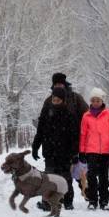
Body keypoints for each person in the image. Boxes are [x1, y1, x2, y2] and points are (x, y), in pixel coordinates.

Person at [37, 72, 88, 209]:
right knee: (51, 174)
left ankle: (84, 195)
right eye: (56, 84)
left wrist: (81, 139)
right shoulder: (48, 100)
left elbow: (87, 116)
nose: (58, 86)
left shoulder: (76, 98)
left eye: (60, 84)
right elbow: (42, 123)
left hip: (71, 140)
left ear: (65, 85)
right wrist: (38, 143)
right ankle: (49, 201)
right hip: (52, 145)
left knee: (75, 172)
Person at [32, 87, 79, 210]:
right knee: (49, 178)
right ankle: (47, 203)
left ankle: (68, 202)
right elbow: (40, 132)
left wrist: (74, 154)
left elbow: (75, 136)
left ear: (63, 101)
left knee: (66, 178)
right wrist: (35, 147)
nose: (55, 102)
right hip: (50, 152)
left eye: (58, 100)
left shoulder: (70, 114)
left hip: (65, 153)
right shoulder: (46, 113)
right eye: (54, 99)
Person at [79, 88, 109, 211]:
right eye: (93, 100)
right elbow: (83, 134)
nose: (96, 102)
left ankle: (104, 201)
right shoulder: (86, 116)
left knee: (104, 177)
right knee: (91, 176)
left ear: (102, 101)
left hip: (106, 151)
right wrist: (82, 150)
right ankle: (92, 200)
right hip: (91, 150)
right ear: (91, 101)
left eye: (98, 100)